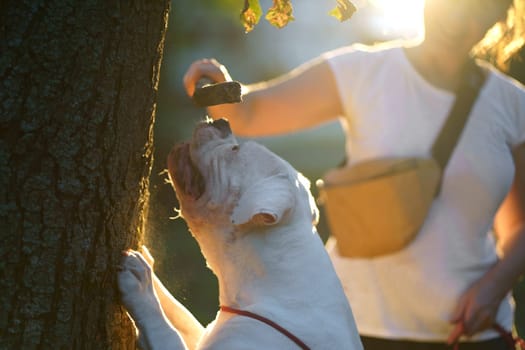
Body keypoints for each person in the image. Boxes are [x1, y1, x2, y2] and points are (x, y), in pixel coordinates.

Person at [183, 0, 525, 348]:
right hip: (354, 331)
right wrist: (217, 86)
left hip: (472, 332)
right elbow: (250, 113)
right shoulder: (363, 71)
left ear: (498, 18)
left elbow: (519, 227)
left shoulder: (513, 104)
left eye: (478, 7)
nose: (458, 18)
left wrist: (495, 287)